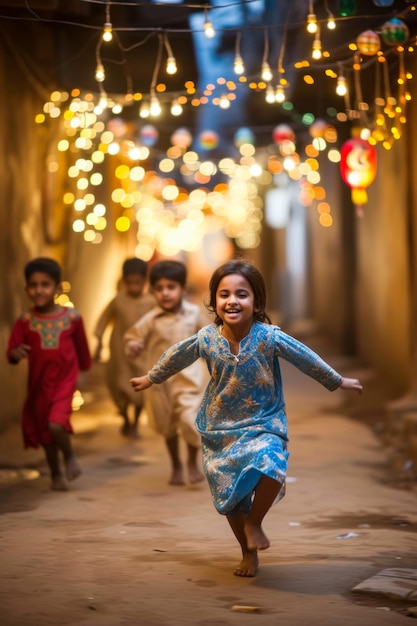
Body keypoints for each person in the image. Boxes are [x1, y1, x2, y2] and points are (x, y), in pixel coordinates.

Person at [129, 258, 363, 577]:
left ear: (256, 301)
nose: (232, 301)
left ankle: (255, 523)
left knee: (272, 464)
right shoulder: (207, 339)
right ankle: (247, 553)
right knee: (232, 498)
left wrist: (337, 381)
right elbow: (176, 355)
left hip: (266, 421)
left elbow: (305, 357)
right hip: (220, 428)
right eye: (224, 294)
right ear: (214, 301)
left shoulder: (269, 337)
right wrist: (151, 378)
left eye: (242, 294)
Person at [6, 257, 92, 492]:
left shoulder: (72, 318)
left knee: (55, 425)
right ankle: (55, 474)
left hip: (65, 381)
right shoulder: (26, 321)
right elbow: (11, 353)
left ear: (57, 287)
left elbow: (83, 350)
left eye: (45, 284)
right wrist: (15, 352)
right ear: (26, 289)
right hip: (38, 385)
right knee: (45, 431)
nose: (39, 290)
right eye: (33, 285)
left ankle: (70, 455)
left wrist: (83, 373)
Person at [124, 259, 209, 486]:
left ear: (182, 288)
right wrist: (132, 345)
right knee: (167, 426)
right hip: (159, 382)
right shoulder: (150, 319)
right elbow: (133, 336)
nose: (165, 293)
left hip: (190, 380)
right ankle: (176, 465)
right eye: (159, 289)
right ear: (152, 291)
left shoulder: (193, 314)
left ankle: (191, 461)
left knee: (190, 420)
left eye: (171, 287)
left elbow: (211, 337)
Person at [94, 258, 155, 438]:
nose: (134, 287)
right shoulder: (118, 300)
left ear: (145, 281)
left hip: (142, 353)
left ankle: (135, 422)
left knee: (141, 391)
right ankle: (125, 418)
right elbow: (103, 321)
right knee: (119, 385)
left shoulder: (151, 302)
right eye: (130, 283)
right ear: (123, 281)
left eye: (138, 283)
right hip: (119, 352)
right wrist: (98, 344)